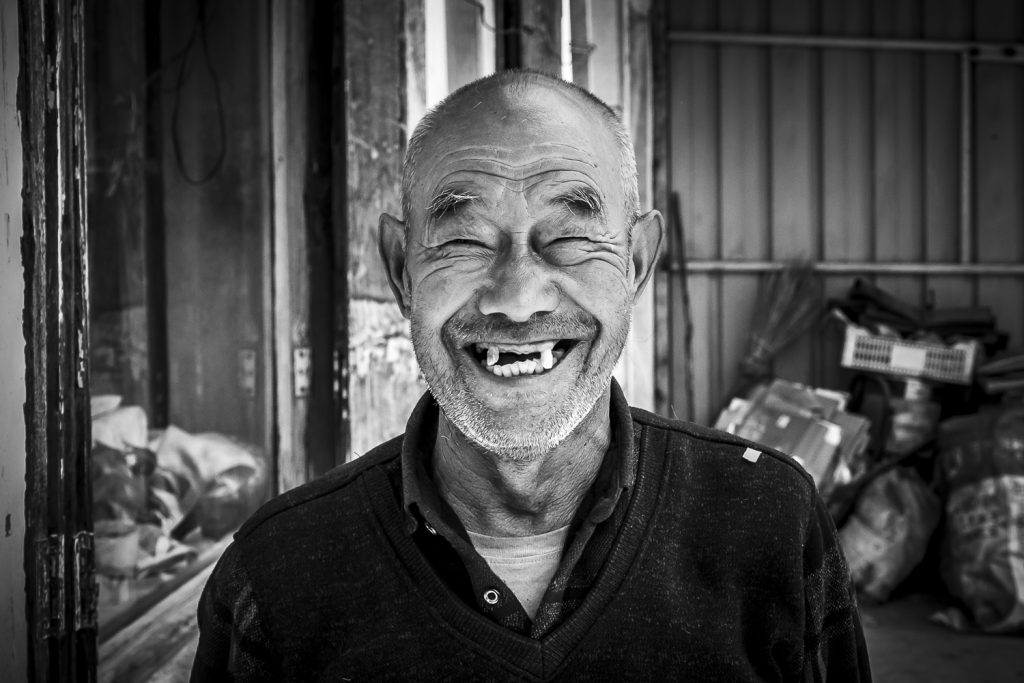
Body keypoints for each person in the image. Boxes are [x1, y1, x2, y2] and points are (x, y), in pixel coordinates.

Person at [191, 69, 871, 681]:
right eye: (464, 239)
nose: (517, 298)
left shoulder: (770, 523)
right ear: (402, 270)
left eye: (568, 237)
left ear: (636, 263)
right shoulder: (278, 577)